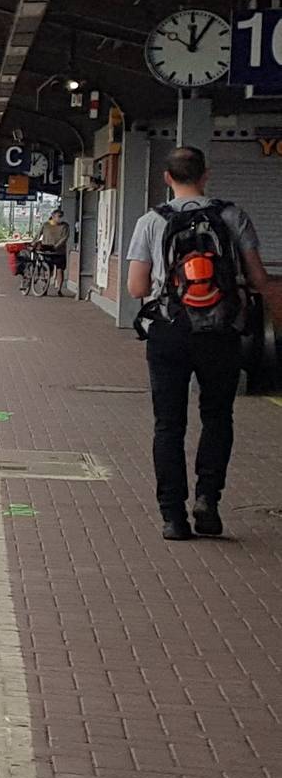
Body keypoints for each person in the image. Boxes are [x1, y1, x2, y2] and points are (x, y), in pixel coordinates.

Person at [125, 147, 277, 540]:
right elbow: (259, 280)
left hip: (169, 331)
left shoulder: (151, 221)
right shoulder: (232, 216)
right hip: (221, 332)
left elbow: (136, 287)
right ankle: (208, 499)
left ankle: (173, 517)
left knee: (168, 425)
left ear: (166, 177)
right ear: (205, 175)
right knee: (217, 416)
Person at [32, 207, 71, 286]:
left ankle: (59, 289)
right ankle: (45, 285)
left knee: (60, 270)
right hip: (47, 250)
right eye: (59, 216)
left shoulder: (65, 226)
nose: (60, 218)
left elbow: (65, 238)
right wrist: (33, 243)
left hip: (59, 251)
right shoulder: (46, 225)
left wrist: (56, 246)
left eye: (62, 216)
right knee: (48, 268)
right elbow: (38, 234)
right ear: (53, 216)